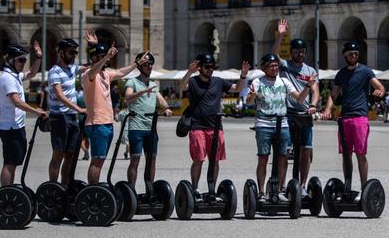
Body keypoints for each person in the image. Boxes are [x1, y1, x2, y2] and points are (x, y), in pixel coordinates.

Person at [247, 53, 315, 202]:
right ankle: (261, 192)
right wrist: (252, 96)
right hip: (264, 124)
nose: (274, 68)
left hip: (282, 124)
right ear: (264, 68)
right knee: (263, 158)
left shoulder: (283, 81)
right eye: (271, 66)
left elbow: (299, 98)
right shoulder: (258, 82)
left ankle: (279, 190)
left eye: (276, 66)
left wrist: (308, 86)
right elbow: (250, 102)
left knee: (283, 157)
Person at [322, 42, 385, 201]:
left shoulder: (365, 71)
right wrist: (328, 109)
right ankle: (347, 186)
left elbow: (379, 86)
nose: (354, 56)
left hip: (360, 118)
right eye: (351, 54)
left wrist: (380, 91)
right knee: (345, 155)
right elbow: (333, 94)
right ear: (345, 56)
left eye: (356, 54)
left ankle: (365, 189)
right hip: (345, 118)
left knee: (360, 154)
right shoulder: (341, 74)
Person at [180, 54, 250, 193]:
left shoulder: (218, 81)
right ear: (200, 68)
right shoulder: (193, 82)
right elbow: (183, 86)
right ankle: (195, 189)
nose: (210, 69)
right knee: (199, 159)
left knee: (215, 160)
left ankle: (211, 188)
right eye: (207, 67)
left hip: (216, 127)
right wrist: (189, 72)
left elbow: (237, 88)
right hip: (197, 126)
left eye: (212, 67)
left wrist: (243, 75)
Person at [82, 41, 147, 185]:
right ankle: (93, 190)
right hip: (97, 123)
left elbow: (121, 72)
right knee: (97, 159)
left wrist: (137, 63)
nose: (107, 59)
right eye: (101, 56)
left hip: (107, 123)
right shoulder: (88, 75)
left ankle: (94, 188)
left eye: (106, 57)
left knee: (101, 158)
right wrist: (105, 57)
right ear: (93, 58)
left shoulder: (106, 74)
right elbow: (93, 72)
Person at [271, 19, 320, 196]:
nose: (300, 54)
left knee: (306, 150)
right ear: (291, 52)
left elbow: (315, 91)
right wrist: (281, 34)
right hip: (287, 114)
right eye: (297, 51)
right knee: (285, 152)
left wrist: (313, 105)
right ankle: (282, 186)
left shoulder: (310, 71)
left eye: (302, 51)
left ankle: (303, 185)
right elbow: (274, 54)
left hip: (305, 114)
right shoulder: (285, 66)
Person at [0, 42, 48, 186]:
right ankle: (6, 193)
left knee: (13, 162)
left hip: (15, 127)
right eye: (20, 60)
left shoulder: (15, 76)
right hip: (10, 128)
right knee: (9, 163)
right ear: (10, 60)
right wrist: (37, 111)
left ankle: (9, 190)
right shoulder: (7, 78)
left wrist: (38, 58)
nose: (23, 63)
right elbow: (17, 102)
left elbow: (32, 73)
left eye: (24, 60)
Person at [124, 52, 173, 189]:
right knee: (135, 159)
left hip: (151, 128)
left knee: (151, 159)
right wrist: (142, 92)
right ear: (139, 67)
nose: (149, 67)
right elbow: (128, 98)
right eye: (146, 65)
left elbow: (160, 99)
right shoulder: (132, 82)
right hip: (136, 127)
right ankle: (131, 190)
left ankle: (149, 189)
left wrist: (166, 108)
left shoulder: (152, 85)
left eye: (150, 65)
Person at [46, 38, 88, 187]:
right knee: (58, 155)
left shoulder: (72, 68)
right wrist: (79, 109)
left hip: (71, 117)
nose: (74, 55)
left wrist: (95, 47)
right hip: (59, 117)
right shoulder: (54, 72)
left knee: (71, 155)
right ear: (61, 52)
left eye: (75, 52)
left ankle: (65, 187)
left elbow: (92, 67)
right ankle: (53, 188)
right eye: (71, 52)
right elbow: (59, 95)